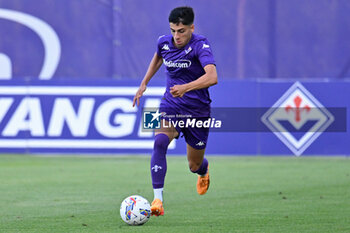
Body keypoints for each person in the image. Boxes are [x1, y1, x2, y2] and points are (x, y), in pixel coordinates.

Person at [133, 6, 218, 216]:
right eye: (173, 30)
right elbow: (158, 57)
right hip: (170, 104)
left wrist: (186, 87)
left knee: (194, 164)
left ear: (191, 28)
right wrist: (144, 83)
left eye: (181, 31)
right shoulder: (163, 42)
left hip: (198, 111)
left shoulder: (201, 45)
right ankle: (157, 200)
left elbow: (212, 77)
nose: (176, 36)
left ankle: (203, 171)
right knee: (159, 141)